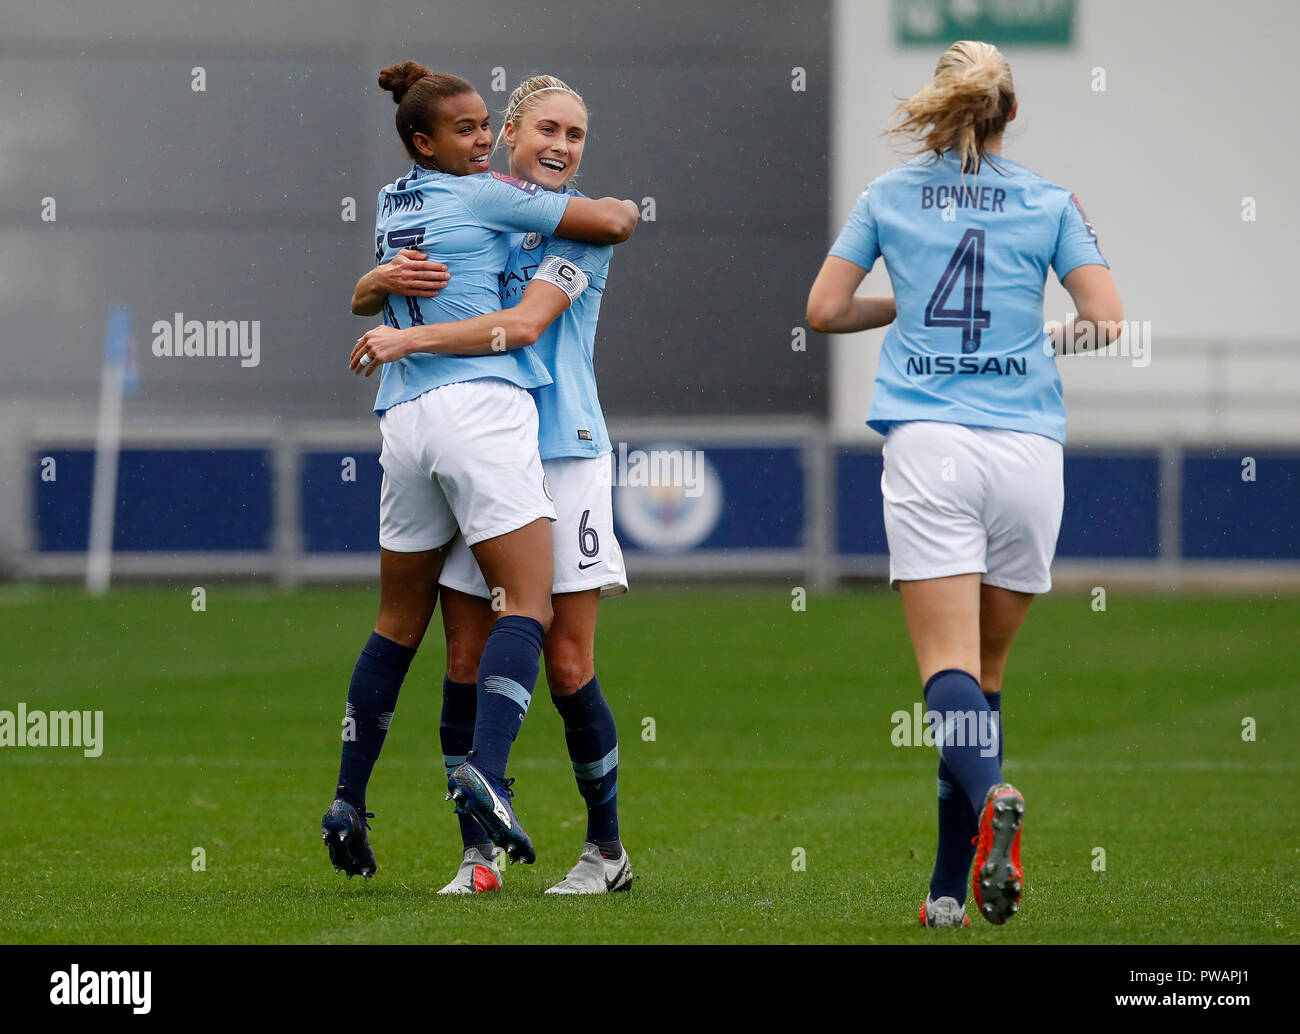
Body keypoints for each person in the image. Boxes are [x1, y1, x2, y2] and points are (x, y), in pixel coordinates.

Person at [806, 40, 1122, 927]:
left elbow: (824, 311)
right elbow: (1105, 320)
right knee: (984, 677)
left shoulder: (887, 195)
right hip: (1028, 450)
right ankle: (948, 890)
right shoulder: (1051, 200)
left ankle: (991, 804)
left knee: (946, 671)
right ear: (1010, 114)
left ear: (941, 111)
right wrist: (1031, 343)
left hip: (930, 444)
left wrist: (903, 306)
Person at [322, 60, 638, 880]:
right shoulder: (476, 204)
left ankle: (605, 850)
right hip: (484, 449)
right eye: (548, 130)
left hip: (561, 449)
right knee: (463, 658)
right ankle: (479, 852)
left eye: (576, 134)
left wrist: (406, 336)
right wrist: (374, 283)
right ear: (508, 137)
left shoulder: (577, 232)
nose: (562, 145)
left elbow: (528, 325)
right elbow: (391, 282)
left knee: (568, 663)